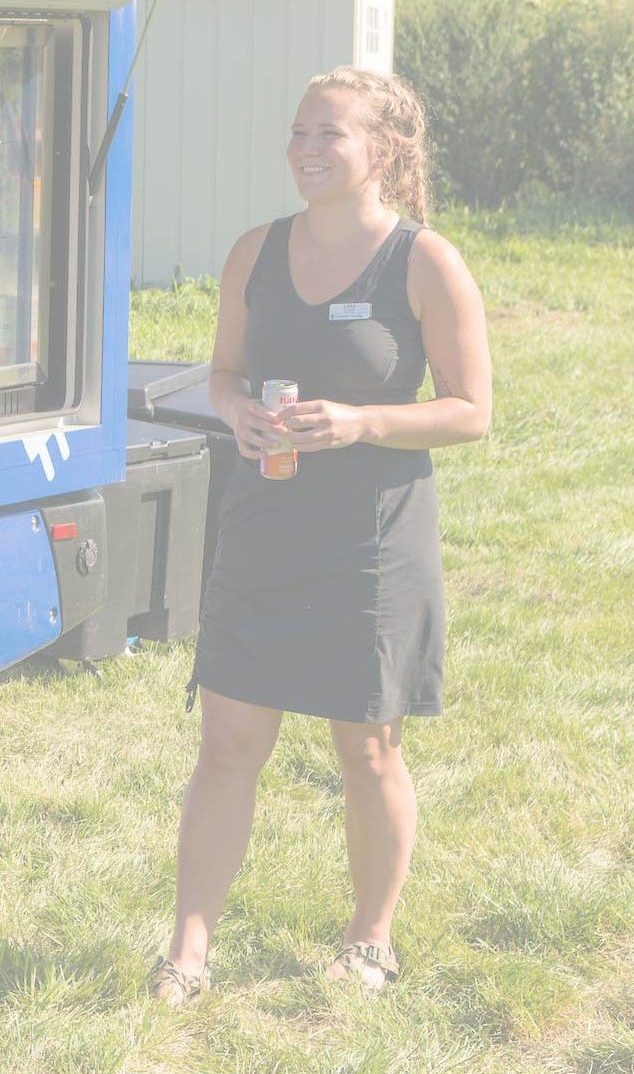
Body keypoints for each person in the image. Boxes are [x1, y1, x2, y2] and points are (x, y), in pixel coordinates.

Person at [151, 67, 491, 1007]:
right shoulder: (254, 252)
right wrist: (237, 415)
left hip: (371, 539)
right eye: (299, 131)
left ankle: (370, 942)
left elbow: (472, 411)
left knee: (366, 747)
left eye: (329, 134)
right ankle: (186, 951)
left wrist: (364, 421)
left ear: (383, 151)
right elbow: (222, 374)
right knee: (227, 740)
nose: (306, 148)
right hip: (263, 526)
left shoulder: (424, 262)